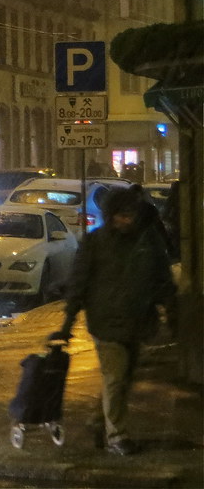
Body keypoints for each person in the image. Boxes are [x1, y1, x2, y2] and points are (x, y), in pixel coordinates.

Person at [56, 185, 176, 456]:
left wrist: (171, 312)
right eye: (120, 215)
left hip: (138, 322)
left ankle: (98, 421)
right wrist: (67, 322)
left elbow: (163, 280)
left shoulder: (148, 243)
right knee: (115, 377)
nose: (126, 220)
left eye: (130, 214)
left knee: (124, 378)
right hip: (106, 322)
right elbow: (79, 282)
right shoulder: (95, 242)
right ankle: (117, 436)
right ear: (110, 215)